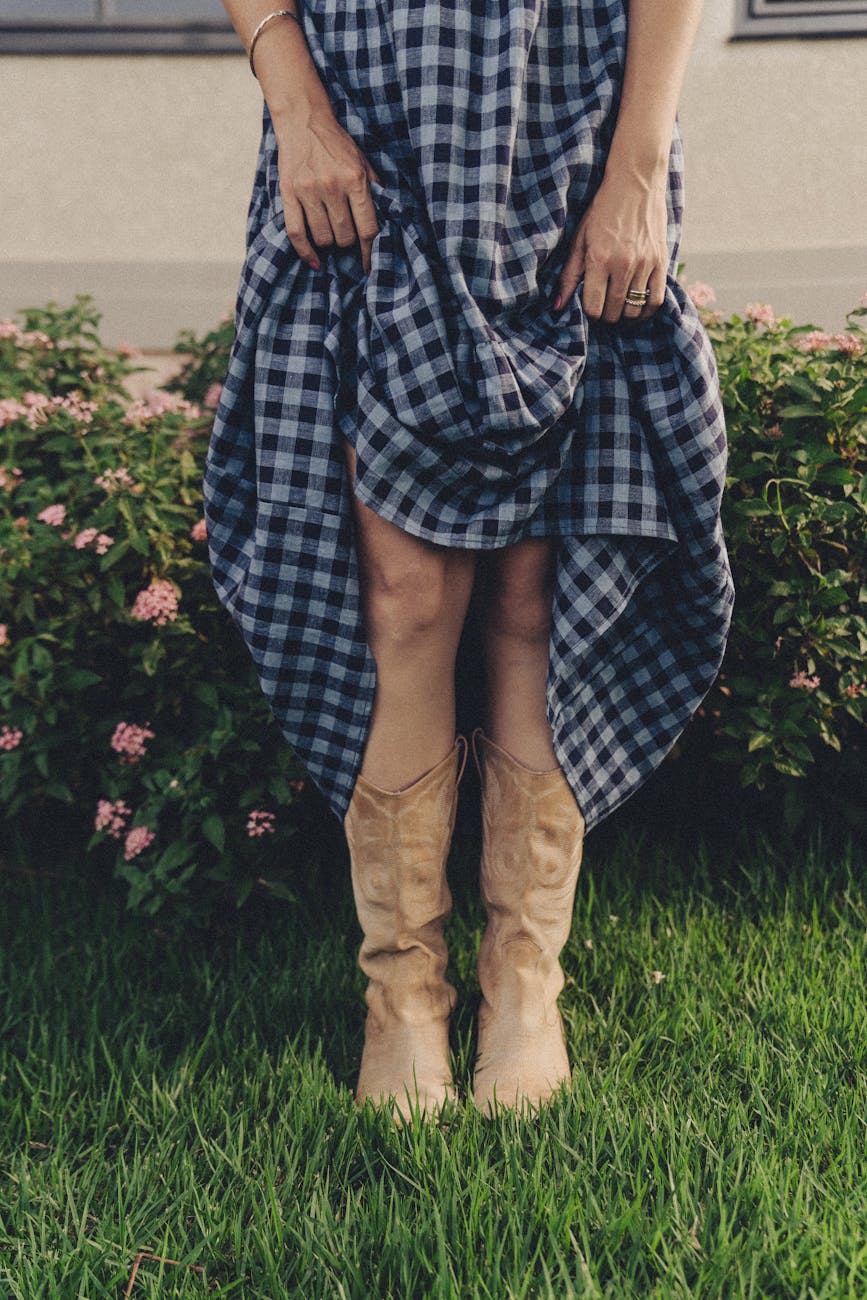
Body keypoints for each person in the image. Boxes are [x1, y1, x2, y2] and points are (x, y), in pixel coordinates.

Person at [206, 0, 734, 1124]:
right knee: (405, 595)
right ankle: (401, 992)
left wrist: (638, 161)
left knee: (535, 594)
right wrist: (296, 106)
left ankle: (523, 983)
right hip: (365, 112)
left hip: (561, 116)